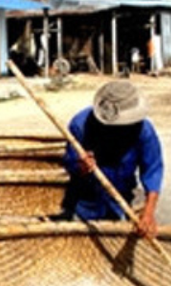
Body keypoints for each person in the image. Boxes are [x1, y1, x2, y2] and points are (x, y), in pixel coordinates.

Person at [62, 79, 164, 236]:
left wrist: (149, 212)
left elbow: (153, 170)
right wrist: (82, 166)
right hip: (85, 200)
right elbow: (70, 163)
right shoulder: (81, 125)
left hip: (123, 198)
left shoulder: (143, 130)